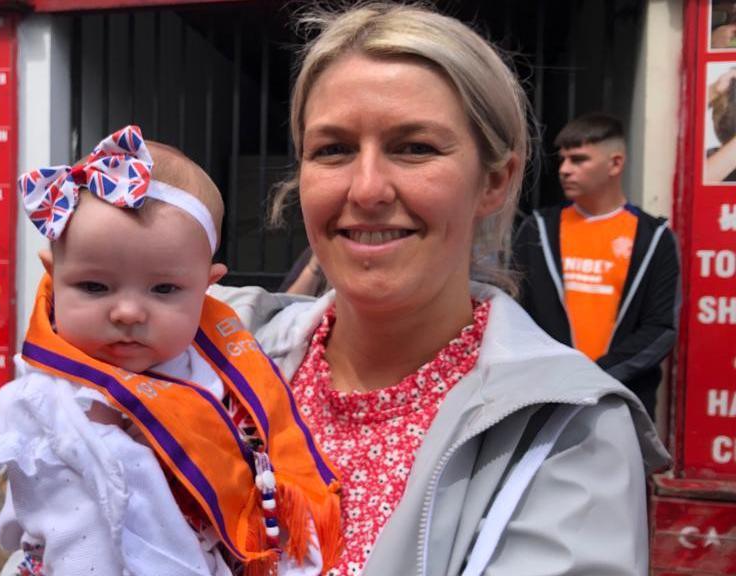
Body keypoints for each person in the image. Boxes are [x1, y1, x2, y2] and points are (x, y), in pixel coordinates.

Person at [209, 4, 671, 575]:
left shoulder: (569, 430)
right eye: (332, 150)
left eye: (415, 148)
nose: (368, 188)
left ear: (495, 181)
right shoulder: (214, 352)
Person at [0, 126, 341, 576]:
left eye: (164, 289)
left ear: (208, 288)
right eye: (94, 286)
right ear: (54, 275)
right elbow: (76, 537)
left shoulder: (226, 369)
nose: (128, 312)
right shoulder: (46, 399)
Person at [513, 113, 680, 419]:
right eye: (562, 160)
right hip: (544, 399)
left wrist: (598, 376)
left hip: (620, 404)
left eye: (578, 160)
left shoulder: (654, 238)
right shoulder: (538, 230)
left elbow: (660, 329)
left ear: (615, 164)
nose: (564, 170)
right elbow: (512, 311)